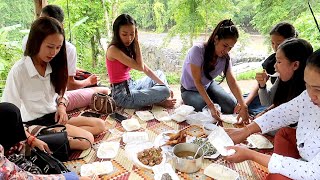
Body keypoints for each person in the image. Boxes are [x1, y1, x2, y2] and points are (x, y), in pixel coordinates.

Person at [2, 17, 105, 151]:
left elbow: (60, 93)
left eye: (58, 47)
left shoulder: (54, 65)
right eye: (50, 47)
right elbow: (10, 112)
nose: (54, 52)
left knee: (100, 125)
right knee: (86, 140)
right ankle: (34, 143)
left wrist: (61, 107)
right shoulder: (19, 71)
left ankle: (55, 138)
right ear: (36, 42)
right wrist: (28, 136)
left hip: (53, 118)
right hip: (32, 124)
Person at [223, 49, 320, 179]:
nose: (311, 95)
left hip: (313, 170)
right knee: (284, 133)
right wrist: (246, 130)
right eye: (307, 85)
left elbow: (313, 172)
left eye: (318, 89)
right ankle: (282, 167)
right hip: (308, 153)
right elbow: (283, 112)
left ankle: (282, 170)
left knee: (276, 177)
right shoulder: (307, 96)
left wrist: (252, 155)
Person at [22, 4, 110, 111]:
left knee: (82, 74)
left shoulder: (28, 39)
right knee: (104, 90)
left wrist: (70, 69)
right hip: (50, 100)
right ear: (61, 26)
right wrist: (88, 82)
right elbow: (69, 85)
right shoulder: (68, 48)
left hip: (34, 95)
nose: (54, 51)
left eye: (58, 48)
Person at [0, 102, 94, 180]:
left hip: (51, 118)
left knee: (95, 128)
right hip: (33, 122)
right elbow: (16, 177)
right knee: (85, 140)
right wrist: (70, 178)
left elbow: (61, 95)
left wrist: (30, 139)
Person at [180, 19, 249, 123]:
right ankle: (191, 99)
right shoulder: (197, 50)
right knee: (204, 108)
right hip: (190, 89)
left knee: (231, 106)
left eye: (230, 48)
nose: (226, 51)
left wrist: (243, 105)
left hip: (208, 85)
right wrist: (211, 105)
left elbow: (232, 82)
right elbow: (197, 81)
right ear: (216, 39)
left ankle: (210, 98)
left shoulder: (225, 57)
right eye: (225, 45)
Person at [106, 14, 176, 109]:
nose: (129, 38)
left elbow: (145, 69)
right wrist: (137, 42)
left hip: (132, 85)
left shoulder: (126, 48)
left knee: (159, 74)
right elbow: (140, 67)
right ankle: (158, 100)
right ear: (117, 33)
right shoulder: (113, 50)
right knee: (165, 91)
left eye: (132, 34)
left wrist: (163, 85)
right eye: (124, 34)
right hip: (122, 96)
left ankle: (157, 99)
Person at [239, 22, 297, 116]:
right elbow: (268, 99)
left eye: (279, 43)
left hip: (285, 107)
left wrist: (266, 114)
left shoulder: (301, 78)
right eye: (272, 43)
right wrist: (245, 102)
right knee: (241, 100)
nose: (275, 47)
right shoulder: (274, 64)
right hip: (276, 101)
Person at [255, 38, 313, 119]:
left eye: (279, 62)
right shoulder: (281, 79)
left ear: (295, 65)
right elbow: (267, 102)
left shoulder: (310, 90)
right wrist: (262, 85)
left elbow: (289, 123)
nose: (275, 66)